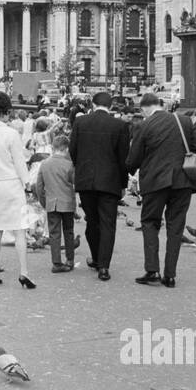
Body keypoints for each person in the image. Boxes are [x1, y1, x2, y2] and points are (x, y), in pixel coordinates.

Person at [126, 93, 196, 288]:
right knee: (176, 227)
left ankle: (152, 270)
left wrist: (131, 169)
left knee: (150, 222)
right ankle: (170, 275)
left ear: (144, 108)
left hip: (155, 182)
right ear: (160, 104)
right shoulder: (185, 121)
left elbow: (134, 159)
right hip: (183, 181)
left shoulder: (144, 126)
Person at [69, 90, 130, 281]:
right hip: (110, 182)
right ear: (110, 106)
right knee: (108, 224)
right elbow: (123, 158)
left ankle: (95, 258)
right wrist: (123, 183)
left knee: (92, 220)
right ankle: (104, 266)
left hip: (86, 181)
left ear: (93, 105)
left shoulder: (80, 122)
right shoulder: (120, 125)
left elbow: (73, 151)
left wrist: (82, 169)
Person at [0, 91, 34, 288]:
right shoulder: (11, 134)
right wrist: (27, 182)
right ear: (4, 112)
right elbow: (19, 163)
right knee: (20, 230)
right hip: (11, 184)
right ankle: (24, 272)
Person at [35, 133, 77, 273]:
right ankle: (70, 259)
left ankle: (56, 262)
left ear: (53, 148)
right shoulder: (69, 165)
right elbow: (74, 183)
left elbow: (39, 186)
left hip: (51, 202)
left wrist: (44, 201)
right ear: (66, 149)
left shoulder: (44, 164)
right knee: (69, 231)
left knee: (54, 233)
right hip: (67, 203)